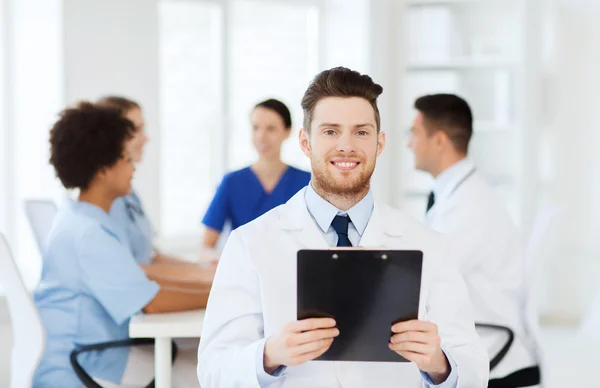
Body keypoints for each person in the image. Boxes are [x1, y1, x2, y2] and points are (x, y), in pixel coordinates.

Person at [197, 67, 489, 387]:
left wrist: (439, 363)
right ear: (306, 143)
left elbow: (473, 368)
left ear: (380, 144)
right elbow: (213, 371)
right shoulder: (250, 244)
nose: (346, 146)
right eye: (331, 131)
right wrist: (269, 355)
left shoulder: (430, 246)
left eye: (361, 132)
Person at [33, 102, 208, 387]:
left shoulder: (81, 218)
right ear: (103, 169)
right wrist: (218, 292)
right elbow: (152, 302)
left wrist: (210, 286)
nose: (133, 168)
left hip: (92, 354)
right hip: (88, 365)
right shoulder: (90, 233)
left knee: (202, 354)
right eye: (126, 159)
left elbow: (144, 283)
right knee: (216, 370)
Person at [408, 93, 539, 386]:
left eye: (414, 133)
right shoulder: (457, 195)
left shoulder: (470, 207)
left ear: (439, 140)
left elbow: (425, 282)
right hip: (483, 347)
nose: (409, 144)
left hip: (499, 361)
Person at [201, 98, 311, 248]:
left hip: (294, 269)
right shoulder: (232, 182)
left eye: (270, 129)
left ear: (287, 131)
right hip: (244, 269)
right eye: (255, 128)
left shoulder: (307, 182)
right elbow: (206, 246)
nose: (261, 136)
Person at [97, 96, 184, 265]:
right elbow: (130, 270)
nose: (146, 138)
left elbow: (151, 256)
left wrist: (203, 271)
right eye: (137, 129)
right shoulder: (107, 199)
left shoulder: (127, 192)